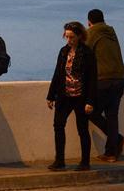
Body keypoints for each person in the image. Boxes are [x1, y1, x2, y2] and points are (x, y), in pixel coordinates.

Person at [46, 21, 97, 172]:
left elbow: (92, 79)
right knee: (58, 126)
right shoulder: (63, 52)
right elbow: (57, 74)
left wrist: (90, 101)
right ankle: (59, 160)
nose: (69, 40)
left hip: (81, 97)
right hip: (64, 96)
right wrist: (50, 96)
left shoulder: (87, 53)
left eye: (72, 37)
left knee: (82, 129)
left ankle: (85, 162)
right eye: (66, 37)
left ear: (79, 36)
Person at [85, 9, 124, 162]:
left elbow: (84, 53)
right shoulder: (111, 32)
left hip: (103, 81)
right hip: (119, 80)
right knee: (112, 116)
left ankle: (118, 140)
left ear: (89, 22)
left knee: (90, 112)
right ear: (103, 19)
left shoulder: (91, 33)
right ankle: (111, 153)